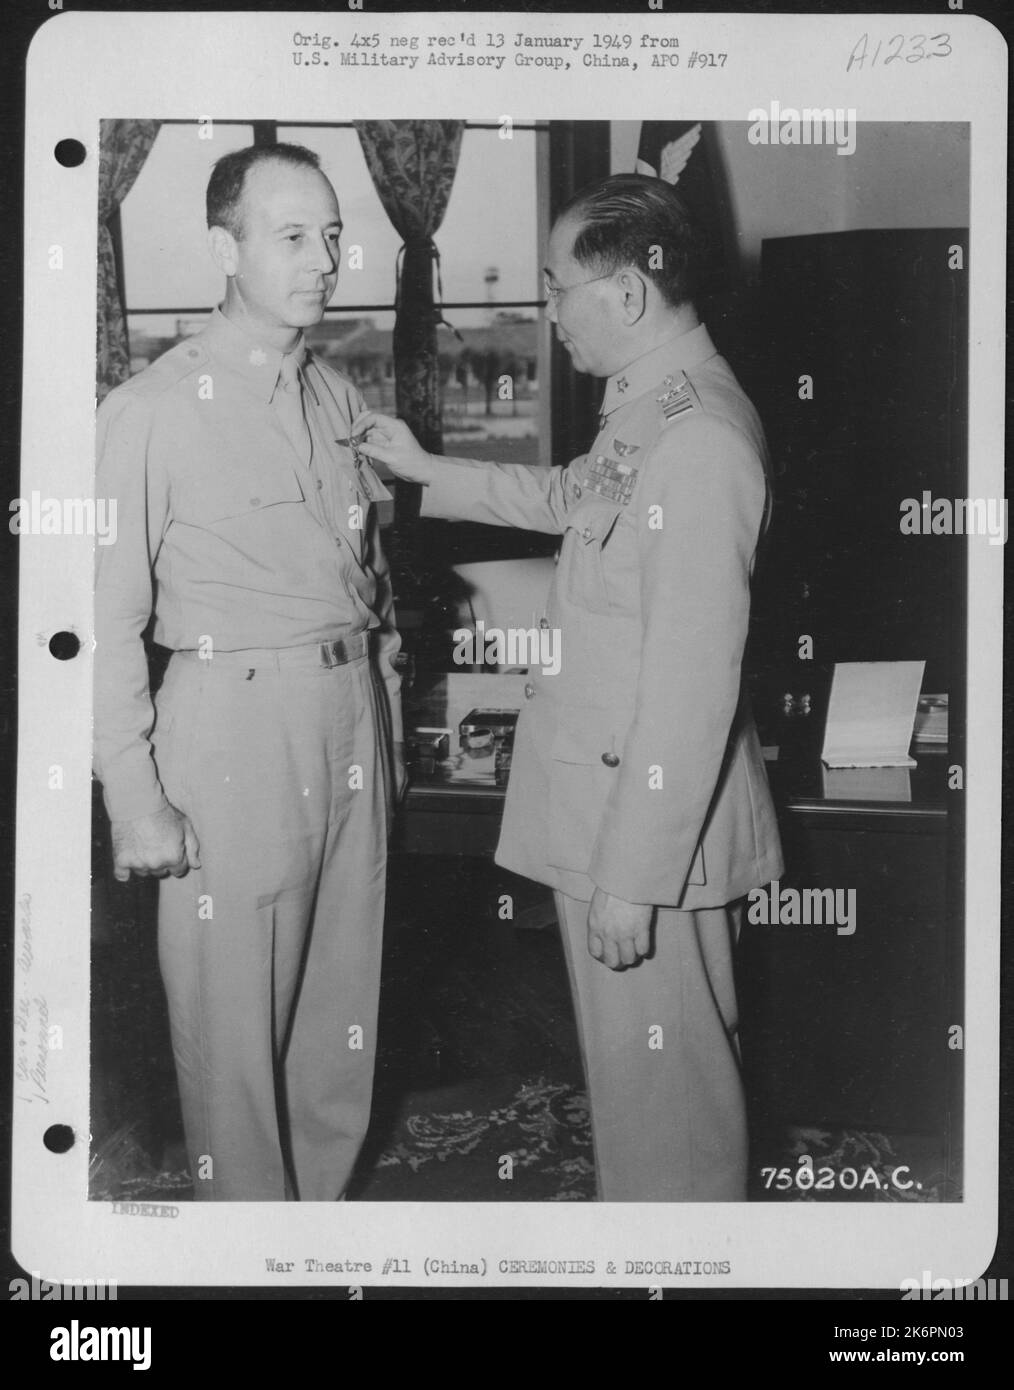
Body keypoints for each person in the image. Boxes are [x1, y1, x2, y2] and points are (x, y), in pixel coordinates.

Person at [359, 173, 784, 1201]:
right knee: (646, 1103)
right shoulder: (651, 408)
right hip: (620, 818)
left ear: (628, 295)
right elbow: (568, 497)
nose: (547, 314)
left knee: (672, 1123)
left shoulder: (697, 441)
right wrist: (425, 467)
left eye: (556, 289)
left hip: (648, 839)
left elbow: (690, 686)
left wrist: (629, 877)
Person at [93, 143, 404, 1201]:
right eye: (291, 235)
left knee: (337, 1016)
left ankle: (311, 1234)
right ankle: (248, 1250)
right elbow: (97, 624)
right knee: (233, 1034)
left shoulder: (334, 395)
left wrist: (386, 708)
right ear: (222, 246)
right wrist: (136, 804)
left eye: (330, 233)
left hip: (348, 715)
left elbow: (372, 579)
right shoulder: (151, 411)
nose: (324, 258)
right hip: (232, 728)